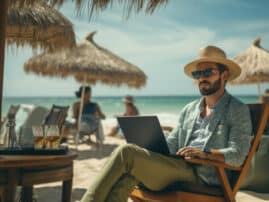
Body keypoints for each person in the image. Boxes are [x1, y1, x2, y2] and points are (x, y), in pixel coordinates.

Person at [80, 45, 252, 202]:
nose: (202, 78)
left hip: (204, 177)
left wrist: (205, 153)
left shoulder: (237, 109)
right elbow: (172, 143)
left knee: (126, 153)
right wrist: (151, 142)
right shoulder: (189, 109)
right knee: (129, 172)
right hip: (178, 167)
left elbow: (238, 155)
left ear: (224, 75)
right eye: (197, 74)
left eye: (208, 72)